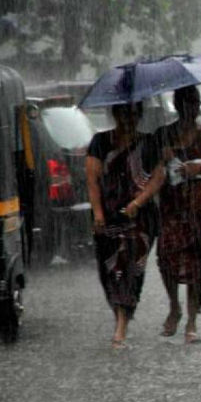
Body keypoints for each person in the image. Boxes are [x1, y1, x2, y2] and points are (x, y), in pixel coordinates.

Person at [86, 102, 164, 350]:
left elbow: (158, 176)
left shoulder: (148, 143)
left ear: (139, 115)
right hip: (108, 218)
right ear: (115, 114)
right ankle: (121, 311)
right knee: (109, 270)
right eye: (123, 114)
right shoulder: (100, 142)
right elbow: (93, 180)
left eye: (133, 114)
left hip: (140, 220)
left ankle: (121, 325)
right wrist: (98, 213)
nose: (128, 119)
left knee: (132, 269)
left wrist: (138, 202)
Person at [154, 85, 201, 344]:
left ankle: (192, 321)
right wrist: (164, 158)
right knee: (167, 256)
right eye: (186, 103)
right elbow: (152, 172)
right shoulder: (164, 134)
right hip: (172, 206)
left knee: (198, 262)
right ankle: (174, 307)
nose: (191, 108)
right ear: (177, 105)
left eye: (194, 103)